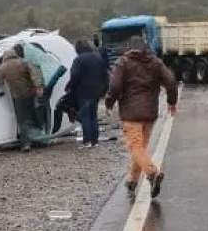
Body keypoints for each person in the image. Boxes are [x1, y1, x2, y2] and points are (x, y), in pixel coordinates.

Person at [105, 35, 178, 198]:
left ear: (128, 48)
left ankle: (152, 174)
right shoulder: (155, 63)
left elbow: (115, 85)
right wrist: (171, 102)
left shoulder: (123, 62)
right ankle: (132, 181)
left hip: (131, 114)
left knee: (136, 147)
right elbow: (171, 81)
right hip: (149, 113)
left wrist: (109, 102)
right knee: (140, 149)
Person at [0, 43, 44, 152]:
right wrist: (38, 87)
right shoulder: (23, 62)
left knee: (22, 121)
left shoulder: (2, 68)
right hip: (31, 93)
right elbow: (34, 74)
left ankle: (26, 144)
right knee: (35, 114)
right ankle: (41, 137)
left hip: (18, 97)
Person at [66, 40, 108, 148]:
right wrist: (103, 90)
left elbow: (75, 76)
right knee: (93, 116)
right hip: (96, 91)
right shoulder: (98, 58)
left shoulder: (79, 60)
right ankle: (95, 141)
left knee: (85, 116)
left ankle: (87, 141)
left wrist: (69, 87)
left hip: (84, 91)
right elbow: (105, 75)